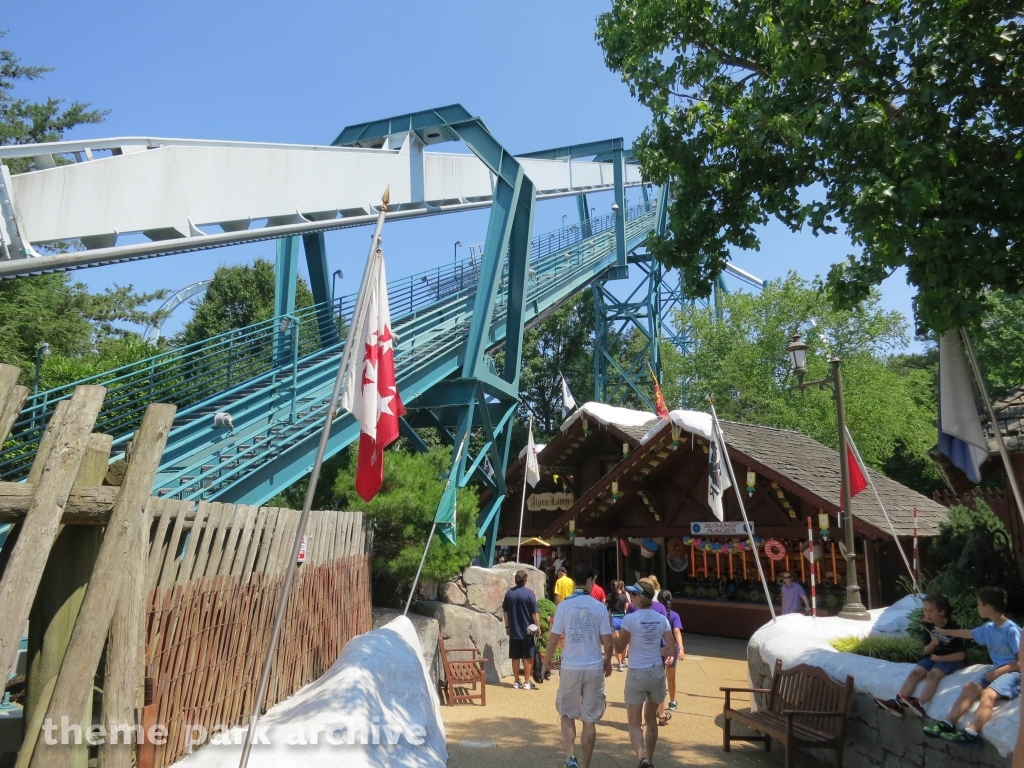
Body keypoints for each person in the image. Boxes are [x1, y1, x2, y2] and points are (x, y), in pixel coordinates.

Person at [923, 586, 1021, 748]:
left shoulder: (1011, 630)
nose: (977, 607)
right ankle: (947, 723)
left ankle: (971, 733)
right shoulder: (989, 628)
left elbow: (1020, 661)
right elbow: (969, 633)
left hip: (1014, 673)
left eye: (979, 604)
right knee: (969, 687)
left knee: (987, 694)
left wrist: (999, 671)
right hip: (995, 671)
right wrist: (943, 631)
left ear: (988, 607)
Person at [542, 563, 614, 768]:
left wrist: (546, 663)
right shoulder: (599, 607)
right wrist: (608, 662)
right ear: (590, 580)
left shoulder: (564, 606)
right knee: (589, 719)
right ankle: (586, 765)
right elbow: (608, 643)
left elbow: (554, 639)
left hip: (571, 666)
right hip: (593, 666)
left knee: (567, 713)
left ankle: (570, 757)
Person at [616, 580, 677, 768]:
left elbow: (620, 647)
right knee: (651, 719)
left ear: (642, 597)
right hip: (656, 673)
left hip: (636, 672)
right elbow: (672, 649)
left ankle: (641, 756)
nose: (630, 597)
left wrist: (613, 636)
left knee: (634, 721)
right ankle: (650, 760)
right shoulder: (661, 619)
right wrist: (657, 652)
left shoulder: (630, 619)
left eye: (634, 594)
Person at [874, 594, 965, 717]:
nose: (927, 614)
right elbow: (926, 650)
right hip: (933, 657)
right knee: (914, 673)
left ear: (942, 612)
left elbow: (961, 655)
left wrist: (940, 658)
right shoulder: (927, 625)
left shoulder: (954, 628)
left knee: (932, 674)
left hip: (950, 660)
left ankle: (919, 704)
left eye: (931, 611)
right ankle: (897, 703)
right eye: (925, 610)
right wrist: (933, 644)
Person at [503, 569, 541, 690]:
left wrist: (507, 626)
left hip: (514, 630)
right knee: (527, 657)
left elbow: (506, 612)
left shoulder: (509, 594)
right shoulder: (529, 594)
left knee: (515, 656)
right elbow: (535, 614)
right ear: (525, 580)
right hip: (528, 631)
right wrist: (538, 628)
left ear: (515, 580)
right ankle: (526, 681)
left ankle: (516, 681)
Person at [656, 589, 685, 723]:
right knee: (671, 678)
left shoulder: (656, 614)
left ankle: (658, 705)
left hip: (658, 649)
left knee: (658, 679)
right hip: (671, 649)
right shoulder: (674, 615)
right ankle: (672, 701)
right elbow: (676, 632)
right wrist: (681, 649)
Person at [607, 581, 630, 671]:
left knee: (616, 643)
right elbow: (627, 609)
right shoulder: (624, 597)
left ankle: (620, 664)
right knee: (623, 642)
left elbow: (606, 608)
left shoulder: (609, 597)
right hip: (623, 619)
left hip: (613, 619)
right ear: (620, 587)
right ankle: (623, 660)